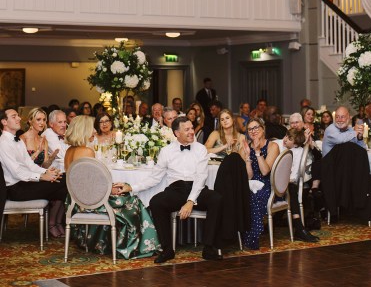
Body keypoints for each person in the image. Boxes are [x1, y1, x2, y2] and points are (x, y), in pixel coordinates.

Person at [64, 116, 159, 259]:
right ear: (84, 130)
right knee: (132, 201)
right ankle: (131, 247)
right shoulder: (86, 151)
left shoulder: (69, 151)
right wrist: (111, 190)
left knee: (123, 196)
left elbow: (85, 182)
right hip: (90, 202)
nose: (95, 131)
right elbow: (90, 185)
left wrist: (108, 188)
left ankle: (106, 243)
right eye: (92, 128)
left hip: (75, 200)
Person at [132, 116, 223, 263]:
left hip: (197, 189)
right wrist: (132, 187)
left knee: (216, 199)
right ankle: (167, 249)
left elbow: (201, 178)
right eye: (187, 129)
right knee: (156, 202)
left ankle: (209, 248)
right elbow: (155, 178)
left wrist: (190, 201)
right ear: (176, 133)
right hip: (176, 189)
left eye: (192, 128)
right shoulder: (166, 151)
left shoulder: (201, 149)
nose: (192, 132)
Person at [0, 109, 67, 238]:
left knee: (64, 188)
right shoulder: (3, 143)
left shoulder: (17, 141)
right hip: (15, 189)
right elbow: (17, 172)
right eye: (14, 116)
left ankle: (65, 224)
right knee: (65, 180)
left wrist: (47, 171)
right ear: (4, 122)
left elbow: (29, 165)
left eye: (18, 116)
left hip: (24, 184)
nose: (19, 118)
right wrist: (42, 176)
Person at [242, 117, 279, 249]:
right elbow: (249, 176)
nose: (253, 131)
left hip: (268, 184)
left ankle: (252, 238)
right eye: (250, 129)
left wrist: (257, 152)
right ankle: (239, 236)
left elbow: (264, 172)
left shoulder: (272, 146)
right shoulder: (245, 147)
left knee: (254, 197)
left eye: (256, 127)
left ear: (263, 129)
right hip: (251, 183)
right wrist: (247, 157)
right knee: (242, 195)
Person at [281, 129, 319, 242]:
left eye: (289, 139)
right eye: (286, 136)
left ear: (296, 143)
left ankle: (299, 227)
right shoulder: (284, 147)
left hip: (289, 182)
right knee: (291, 189)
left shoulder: (298, 151)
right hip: (277, 180)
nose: (286, 139)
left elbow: (294, 174)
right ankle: (299, 227)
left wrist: (288, 180)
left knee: (292, 188)